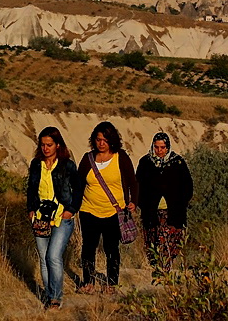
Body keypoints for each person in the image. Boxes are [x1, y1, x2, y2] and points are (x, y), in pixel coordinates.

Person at [76, 121, 138, 295]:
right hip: (88, 210)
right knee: (88, 247)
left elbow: (133, 181)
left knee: (111, 248)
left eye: (105, 140)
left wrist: (134, 201)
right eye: (98, 139)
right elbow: (79, 184)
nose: (101, 143)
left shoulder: (121, 157)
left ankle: (111, 283)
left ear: (112, 141)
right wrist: (74, 206)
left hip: (113, 212)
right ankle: (88, 282)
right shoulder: (88, 159)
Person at [26, 126, 82, 311]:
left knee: (53, 256)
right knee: (43, 258)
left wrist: (71, 209)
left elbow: (79, 189)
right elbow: (31, 189)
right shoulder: (36, 164)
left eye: (49, 144)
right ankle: (50, 296)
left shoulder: (67, 165)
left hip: (61, 216)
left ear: (58, 145)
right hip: (41, 215)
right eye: (42, 145)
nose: (45, 148)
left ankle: (56, 298)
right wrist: (31, 209)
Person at [136, 132, 193, 277]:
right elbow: (138, 184)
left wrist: (181, 203)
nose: (159, 151)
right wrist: (141, 202)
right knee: (152, 241)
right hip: (151, 212)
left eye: (162, 147)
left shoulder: (178, 162)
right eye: (156, 147)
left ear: (168, 147)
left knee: (169, 242)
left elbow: (187, 186)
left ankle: (164, 271)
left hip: (173, 212)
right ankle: (157, 268)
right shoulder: (145, 162)